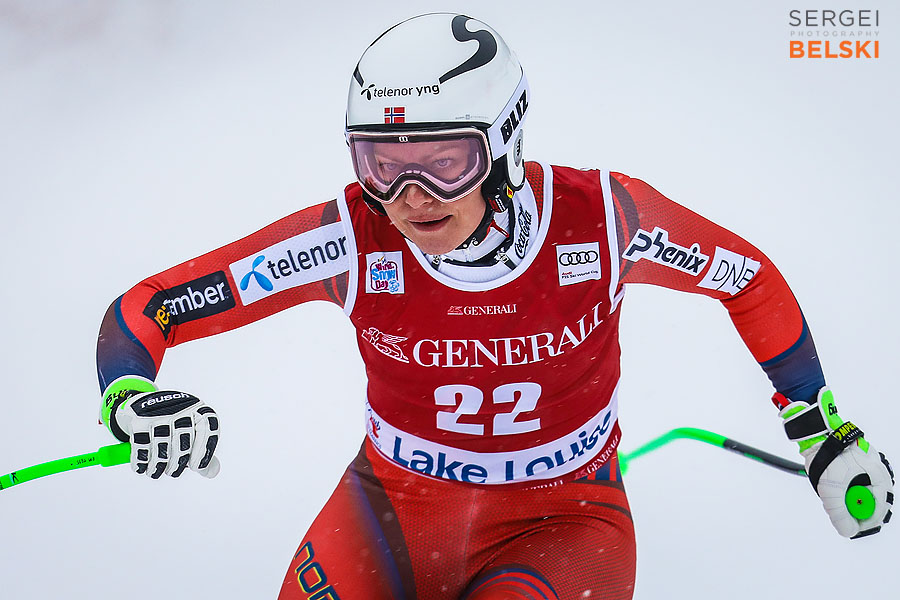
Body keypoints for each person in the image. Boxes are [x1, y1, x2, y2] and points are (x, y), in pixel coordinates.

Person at [95, 13, 894, 600]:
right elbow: (151, 307)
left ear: (505, 142)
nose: (411, 197)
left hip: (565, 522)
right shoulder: (351, 237)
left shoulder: (605, 222)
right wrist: (130, 396)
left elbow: (747, 279)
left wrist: (820, 429)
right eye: (382, 164)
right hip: (390, 513)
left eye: (446, 161)